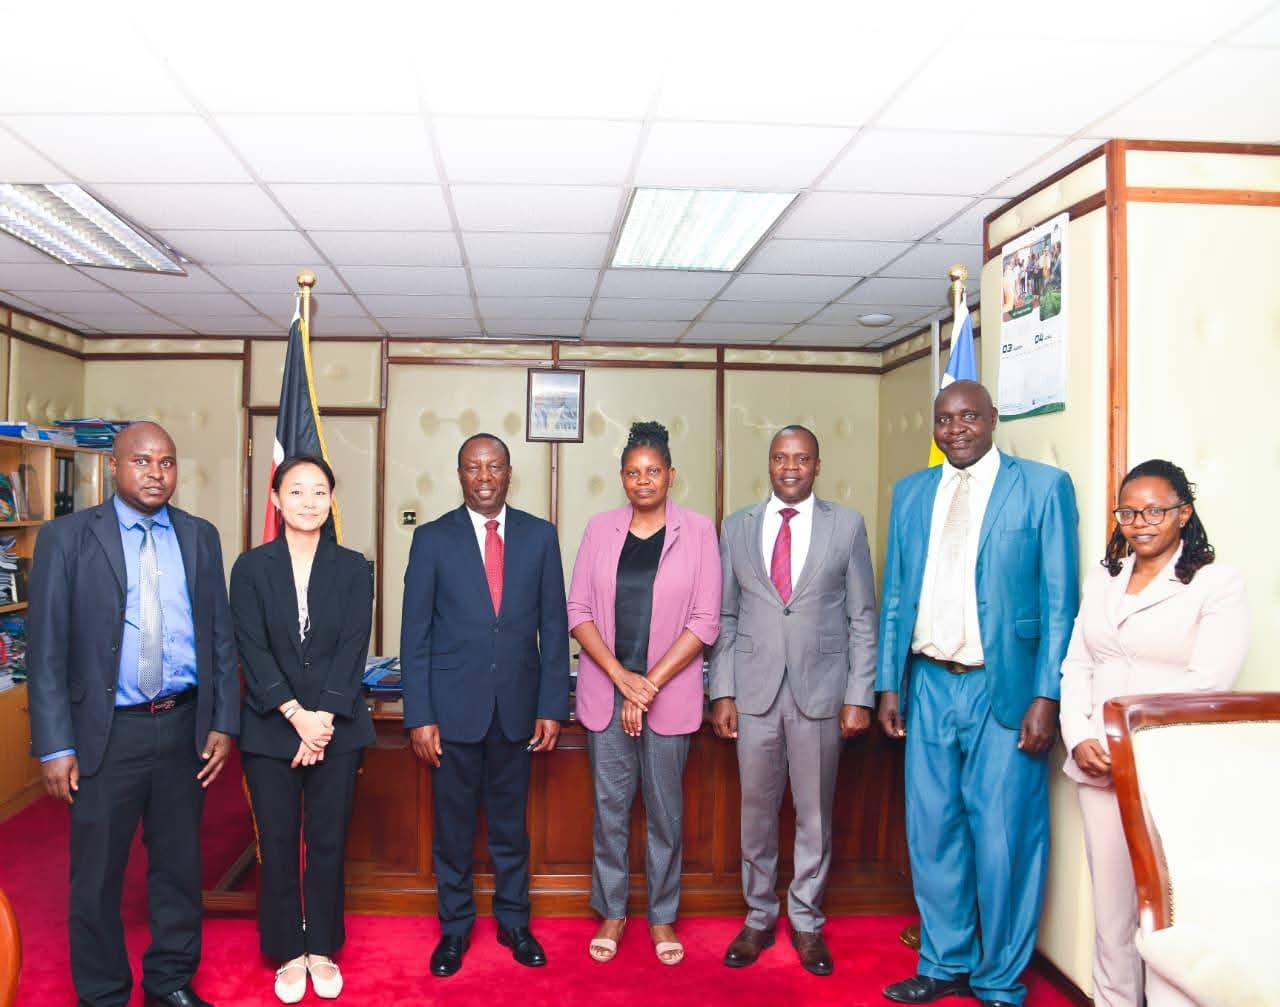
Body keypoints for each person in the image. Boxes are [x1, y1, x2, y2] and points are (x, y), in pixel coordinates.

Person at [877, 380, 1079, 1007]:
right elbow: (896, 598)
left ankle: (999, 979)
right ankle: (943, 962)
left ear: (993, 420)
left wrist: (1047, 694)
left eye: (968, 417)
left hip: (1005, 687)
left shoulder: (1042, 487)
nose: (956, 428)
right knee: (933, 832)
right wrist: (889, 683)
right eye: (944, 419)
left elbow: (1060, 600)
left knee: (1005, 837)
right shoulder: (911, 493)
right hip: (930, 683)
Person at [26, 422, 238, 1007]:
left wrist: (222, 721)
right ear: (115, 467)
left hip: (181, 728)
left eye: (166, 463)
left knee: (177, 867)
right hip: (105, 733)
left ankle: (169, 982)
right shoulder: (67, 538)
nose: (155, 473)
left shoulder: (199, 536)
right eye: (142, 461)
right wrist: (54, 745)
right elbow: (45, 648)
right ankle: (102, 993)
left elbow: (219, 635)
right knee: (96, 876)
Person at [1059, 459, 1248, 1007]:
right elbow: (1078, 666)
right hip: (1097, 764)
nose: (1140, 521)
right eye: (1127, 511)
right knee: (1111, 908)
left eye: (1155, 510)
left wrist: (1129, 748)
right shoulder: (1105, 579)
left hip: (1169, 770)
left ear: (1183, 513)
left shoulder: (1216, 585)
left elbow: (1208, 683)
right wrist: (1078, 735)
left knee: (1166, 911)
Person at [709, 425, 878, 976]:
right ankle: (758, 917)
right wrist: (723, 690)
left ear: (817, 465)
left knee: (815, 817)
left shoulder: (847, 526)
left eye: (801, 459)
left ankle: (806, 921)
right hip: (754, 695)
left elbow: (861, 617)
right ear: (769, 463)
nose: (790, 467)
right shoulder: (736, 528)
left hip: (822, 695)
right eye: (781, 458)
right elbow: (727, 618)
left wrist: (860, 695)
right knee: (755, 815)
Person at [400, 433, 570, 977]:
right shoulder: (431, 540)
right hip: (450, 715)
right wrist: (420, 714)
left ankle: (514, 921)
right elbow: (414, 635)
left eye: (494, 466)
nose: (485, 476)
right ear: (460, 474)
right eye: (473, 467)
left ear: (509, 472)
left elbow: (553, 628)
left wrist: (551, 704)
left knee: (510, 828)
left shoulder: (541, 538)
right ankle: (454, 930)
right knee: (452, 831)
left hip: (517, 712)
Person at [567, 421, 720, 966]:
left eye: (653, 471)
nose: (643, 480)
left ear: (671, 475)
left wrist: (648, 684)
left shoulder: (699, 531)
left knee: (665, 815)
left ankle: (661, 916)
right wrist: (622, 679)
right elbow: (578, 611)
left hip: (668, 697)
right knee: (609, 811)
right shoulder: (599, 528)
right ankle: (611, 909)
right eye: (633, 472)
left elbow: (705, 621)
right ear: (622, 479)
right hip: (606, 694)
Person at [230, 456, 375, 1004]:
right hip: (272, 730)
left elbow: (352, 647)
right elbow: (253, 648)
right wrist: (296, 715)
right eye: (297, 491)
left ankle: (323, 947)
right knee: (280, 841)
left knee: (329, 842)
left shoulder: (353, 567)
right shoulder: (250, 567)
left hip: (336, 730)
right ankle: (288, 949)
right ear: (276, 499)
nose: (309, 501)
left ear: (331, 499)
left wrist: (324, 720)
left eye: (319, 491)